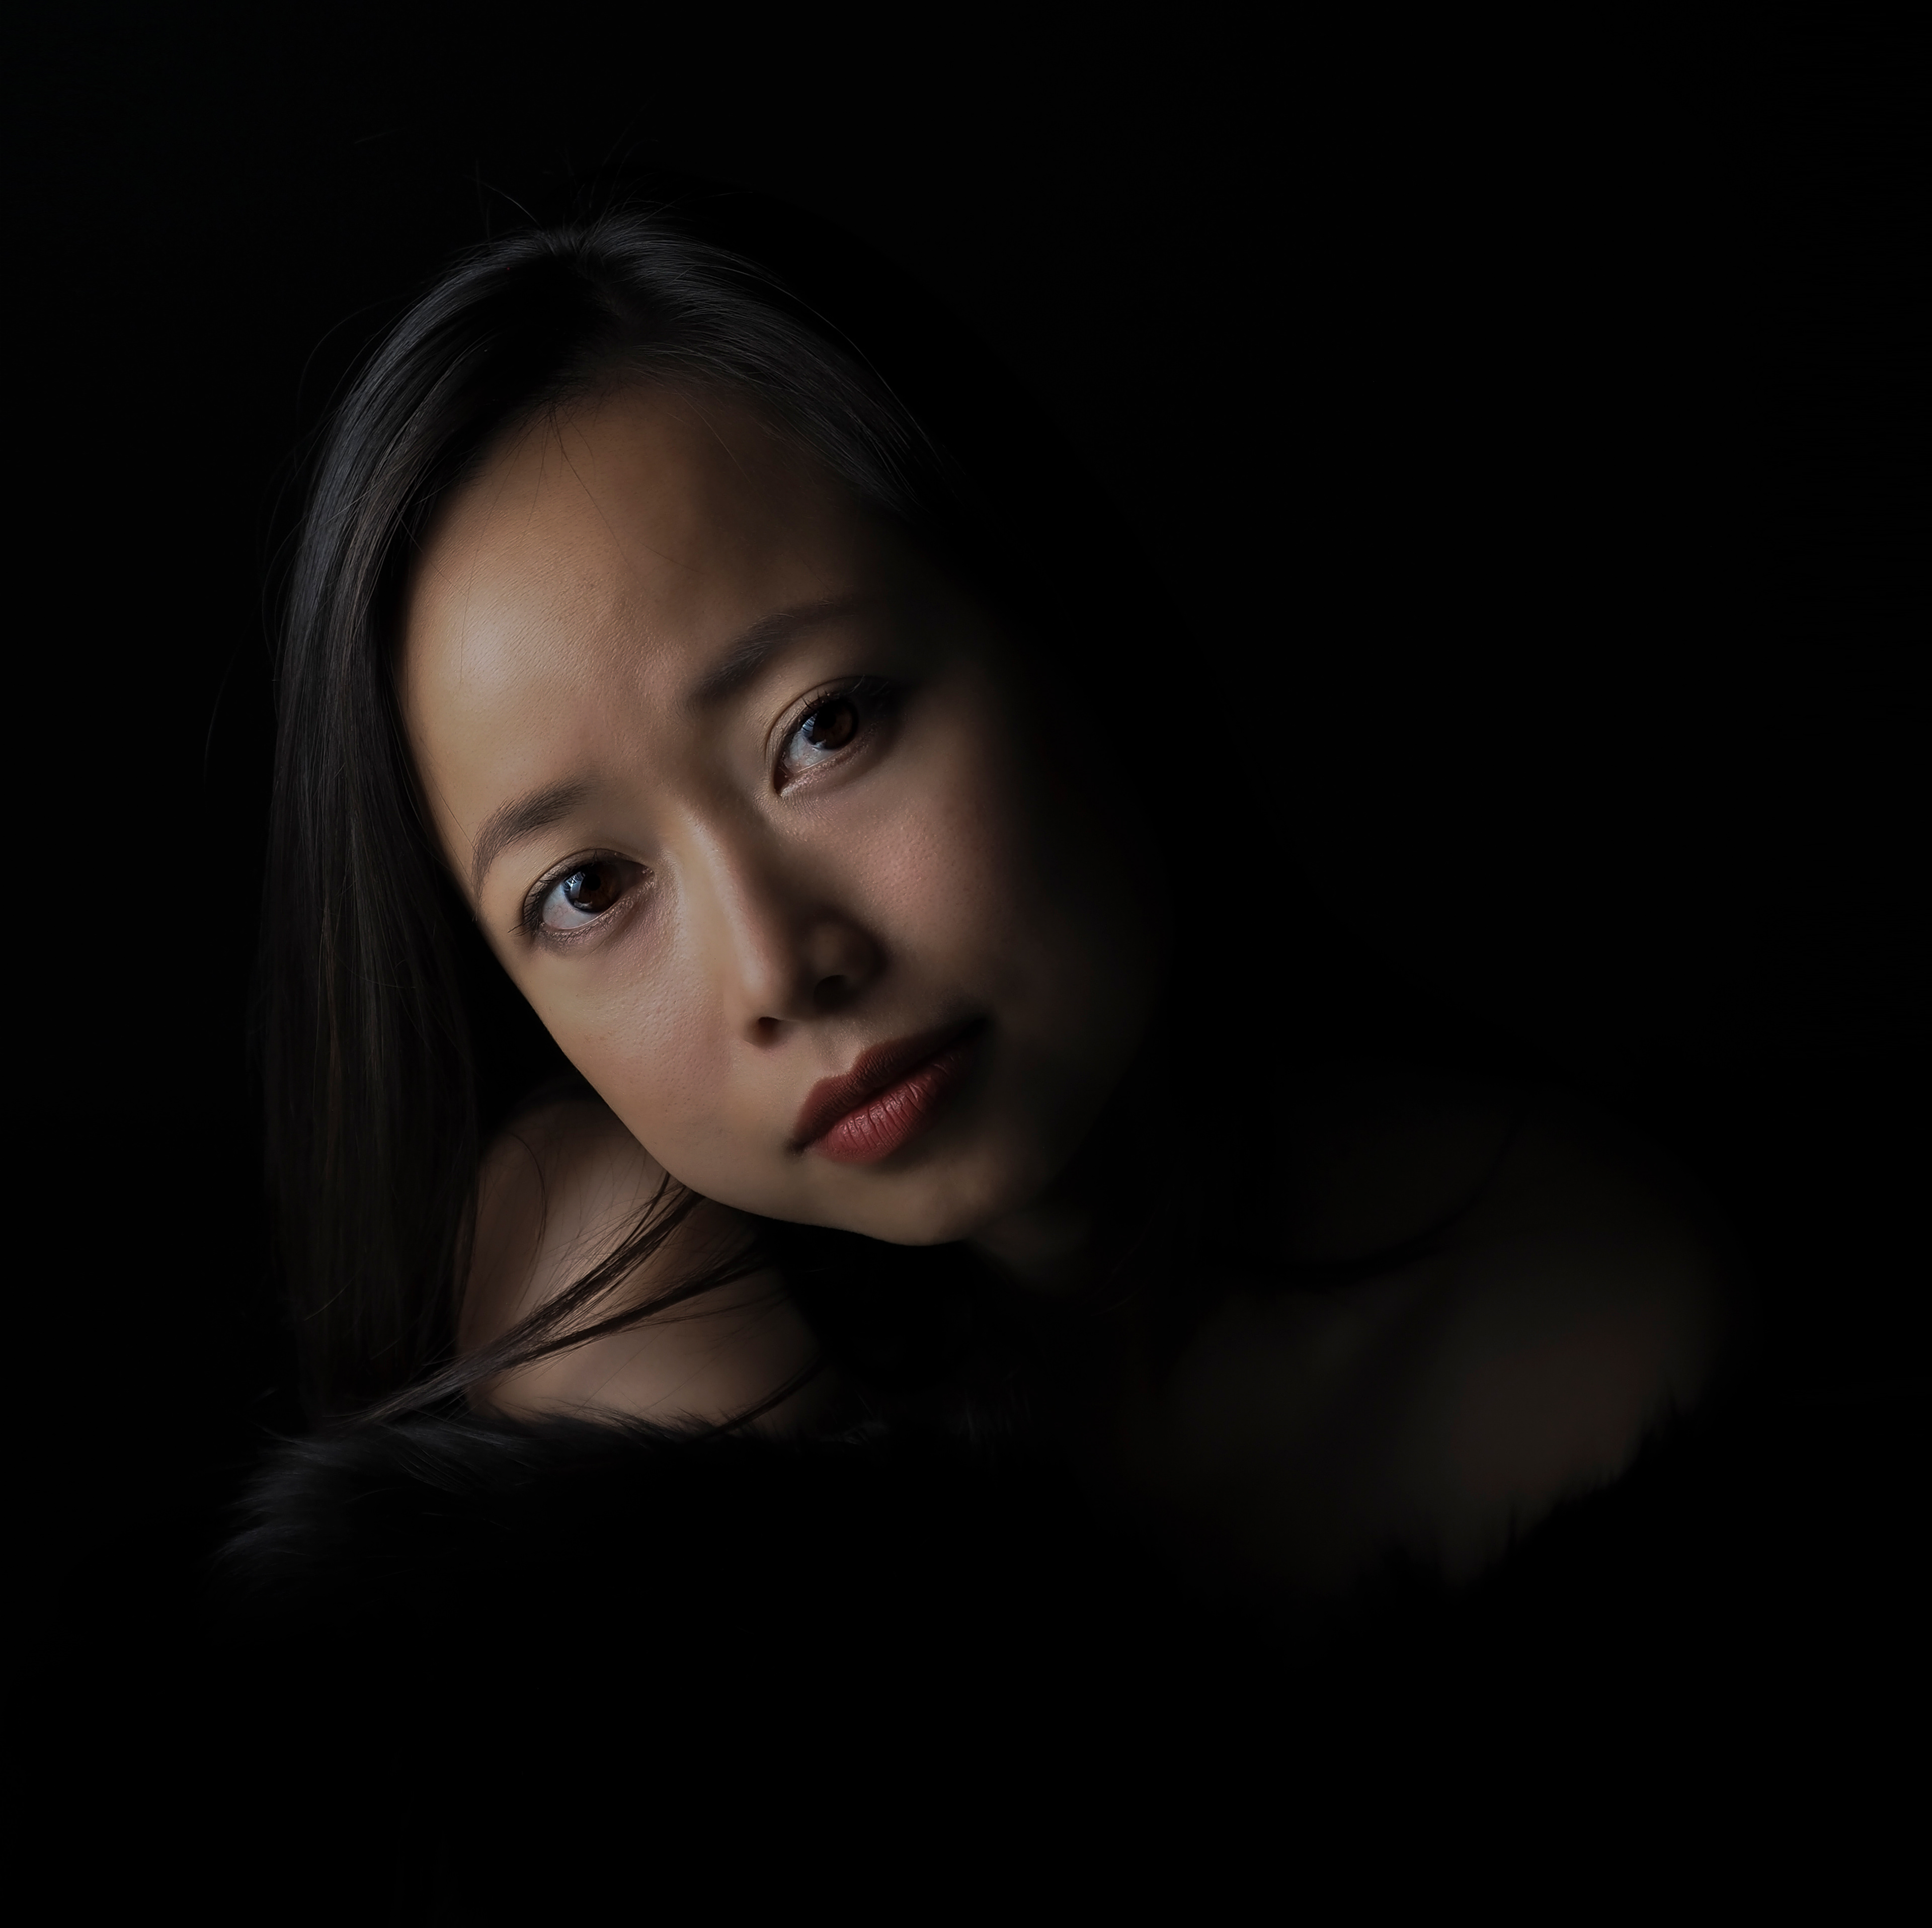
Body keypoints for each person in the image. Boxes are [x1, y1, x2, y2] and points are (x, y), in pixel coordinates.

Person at [224, 191, 1752, 1673]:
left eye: (826, 727)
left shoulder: (1600, 1319)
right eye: (588, 890)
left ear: (1049, 616)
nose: (780, 965)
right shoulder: (618, 1294)